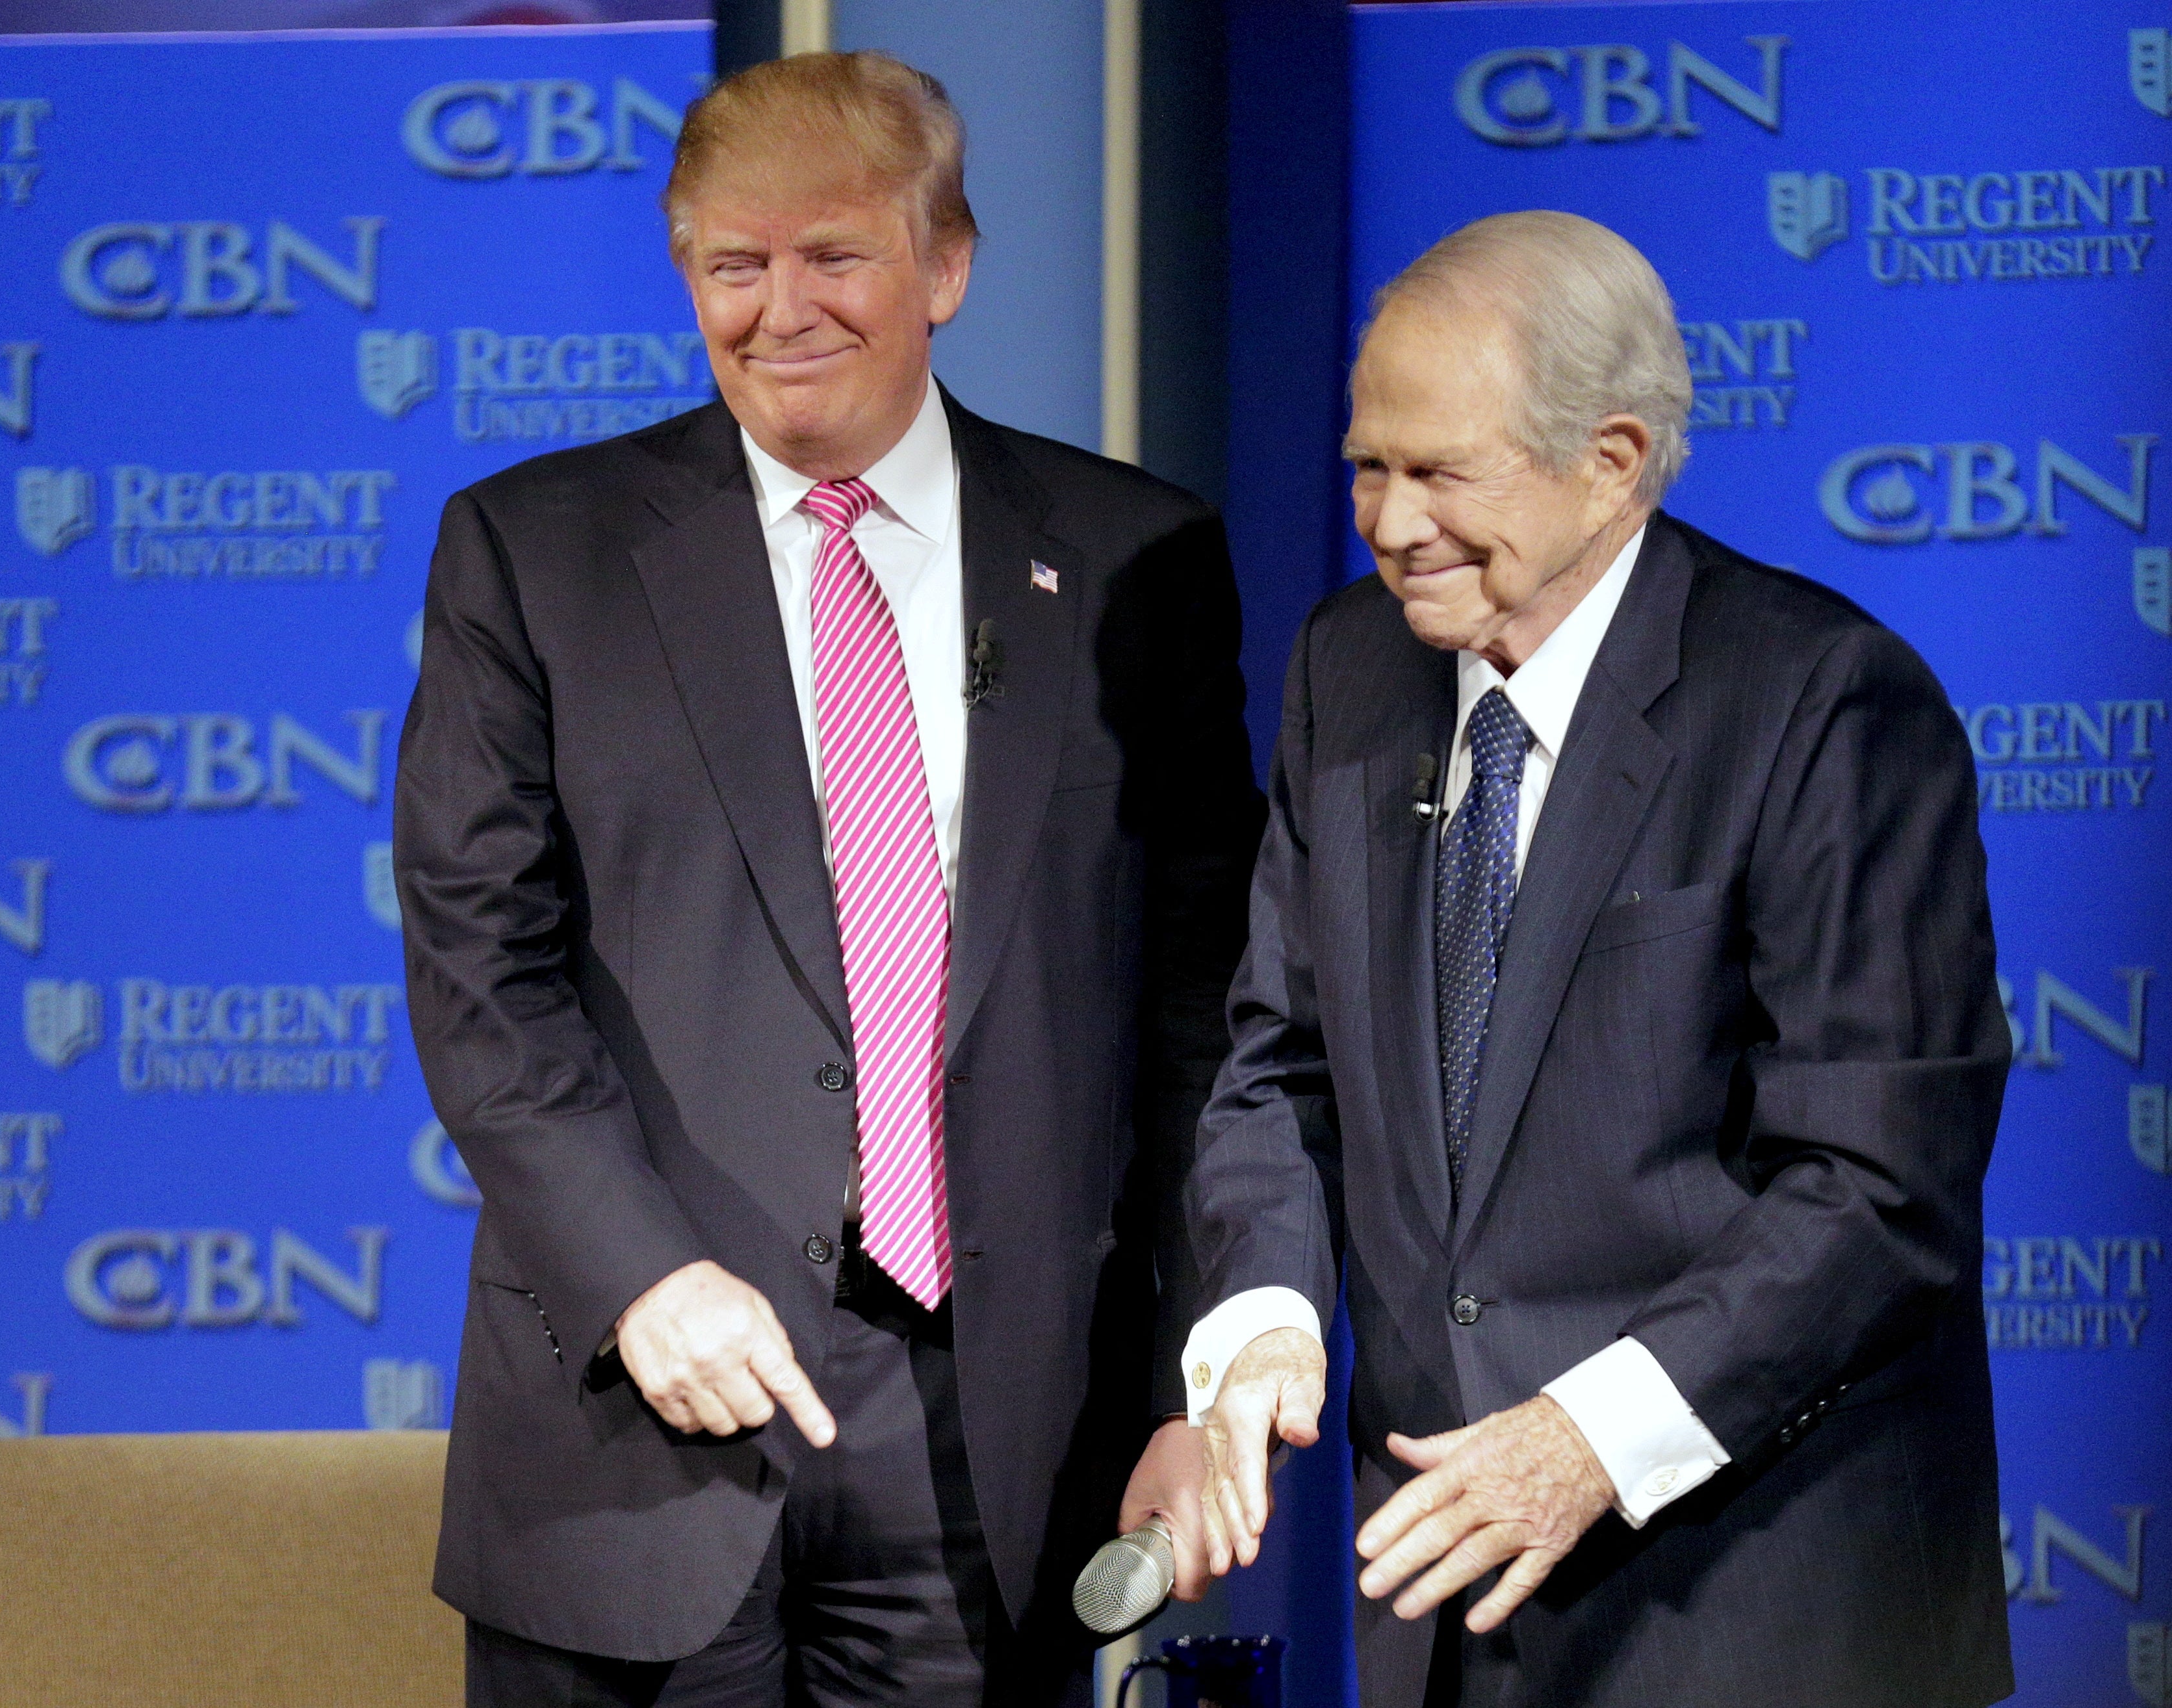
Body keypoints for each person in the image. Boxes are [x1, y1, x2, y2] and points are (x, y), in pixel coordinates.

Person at [393, 50, 1263, 1707]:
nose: (778, 308)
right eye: (734, 263)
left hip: (992, 1434)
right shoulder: (534, 553)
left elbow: (1198, 1014)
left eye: (833, 256)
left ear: (946, 265)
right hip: (634, 1414)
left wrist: (1184, 1376)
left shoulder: (1134, 557)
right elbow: (479, 971)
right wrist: (637, 1273)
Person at [1158, 211, 2011, 1707]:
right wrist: (1267, 1321)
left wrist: (1583, 1445)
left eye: (1441, 473)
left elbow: (1880, 1187)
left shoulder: (1821, 705)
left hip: (1756, 1594)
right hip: (1448, 1596)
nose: (1390, 519)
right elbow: (1279, 1062)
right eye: (1369, 462)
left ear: (1611, 462)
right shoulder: (1347, 671)